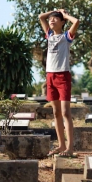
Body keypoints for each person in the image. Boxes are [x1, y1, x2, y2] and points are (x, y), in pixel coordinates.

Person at [38, 9, 79, 157]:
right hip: (50, 76)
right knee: (56, 113)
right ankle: (61, 145)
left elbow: (76, 22)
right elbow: (41, 17)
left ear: (62, 22)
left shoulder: (66, 37)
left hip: (63, 76)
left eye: (56, 19)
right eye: (51, 19)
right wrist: (54, 11)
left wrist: (65, 15)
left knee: (65, 113)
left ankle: (70, 147)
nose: (52, 20)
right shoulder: (49, 35)